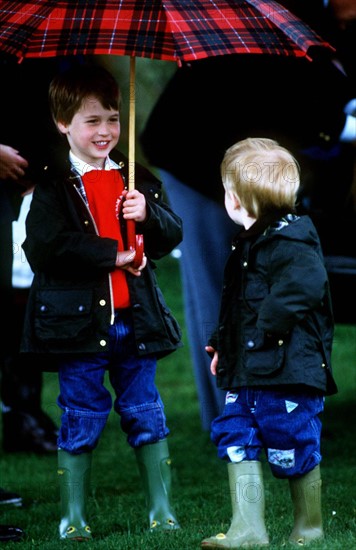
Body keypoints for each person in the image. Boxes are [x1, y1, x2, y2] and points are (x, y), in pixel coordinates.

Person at [140, 45, 354, 430]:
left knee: (232, 283)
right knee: (218, 286)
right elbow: (306, 108)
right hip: (198, 154)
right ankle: (232, 417)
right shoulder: (278, 36)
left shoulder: (306, 35)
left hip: (239, 159)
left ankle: (244, 409)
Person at [20, 64, 183, 541]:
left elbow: (173, 234)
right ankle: (73, 516)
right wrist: (111, 253)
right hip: (79, 328)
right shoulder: (54, 185)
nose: (106, 130)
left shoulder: (137, 177)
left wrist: (148, 213)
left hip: (136, 322)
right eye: (92, 121)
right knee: (81, 413)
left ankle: (162, 510)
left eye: (112, 118)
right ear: (62, 123)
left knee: (146, 412)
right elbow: (44, 248)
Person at [201, 137, 338, 549]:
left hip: (288, 372)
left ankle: (308, 529)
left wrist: (264, 330)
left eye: (228, 190)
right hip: (248, 372)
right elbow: (239, 305)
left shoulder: (292, 240)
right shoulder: (248, 244)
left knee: (294, 443)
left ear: (239, 201)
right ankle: (248, 530)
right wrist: (223, 343)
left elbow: (305, 286)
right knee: (236, 438)